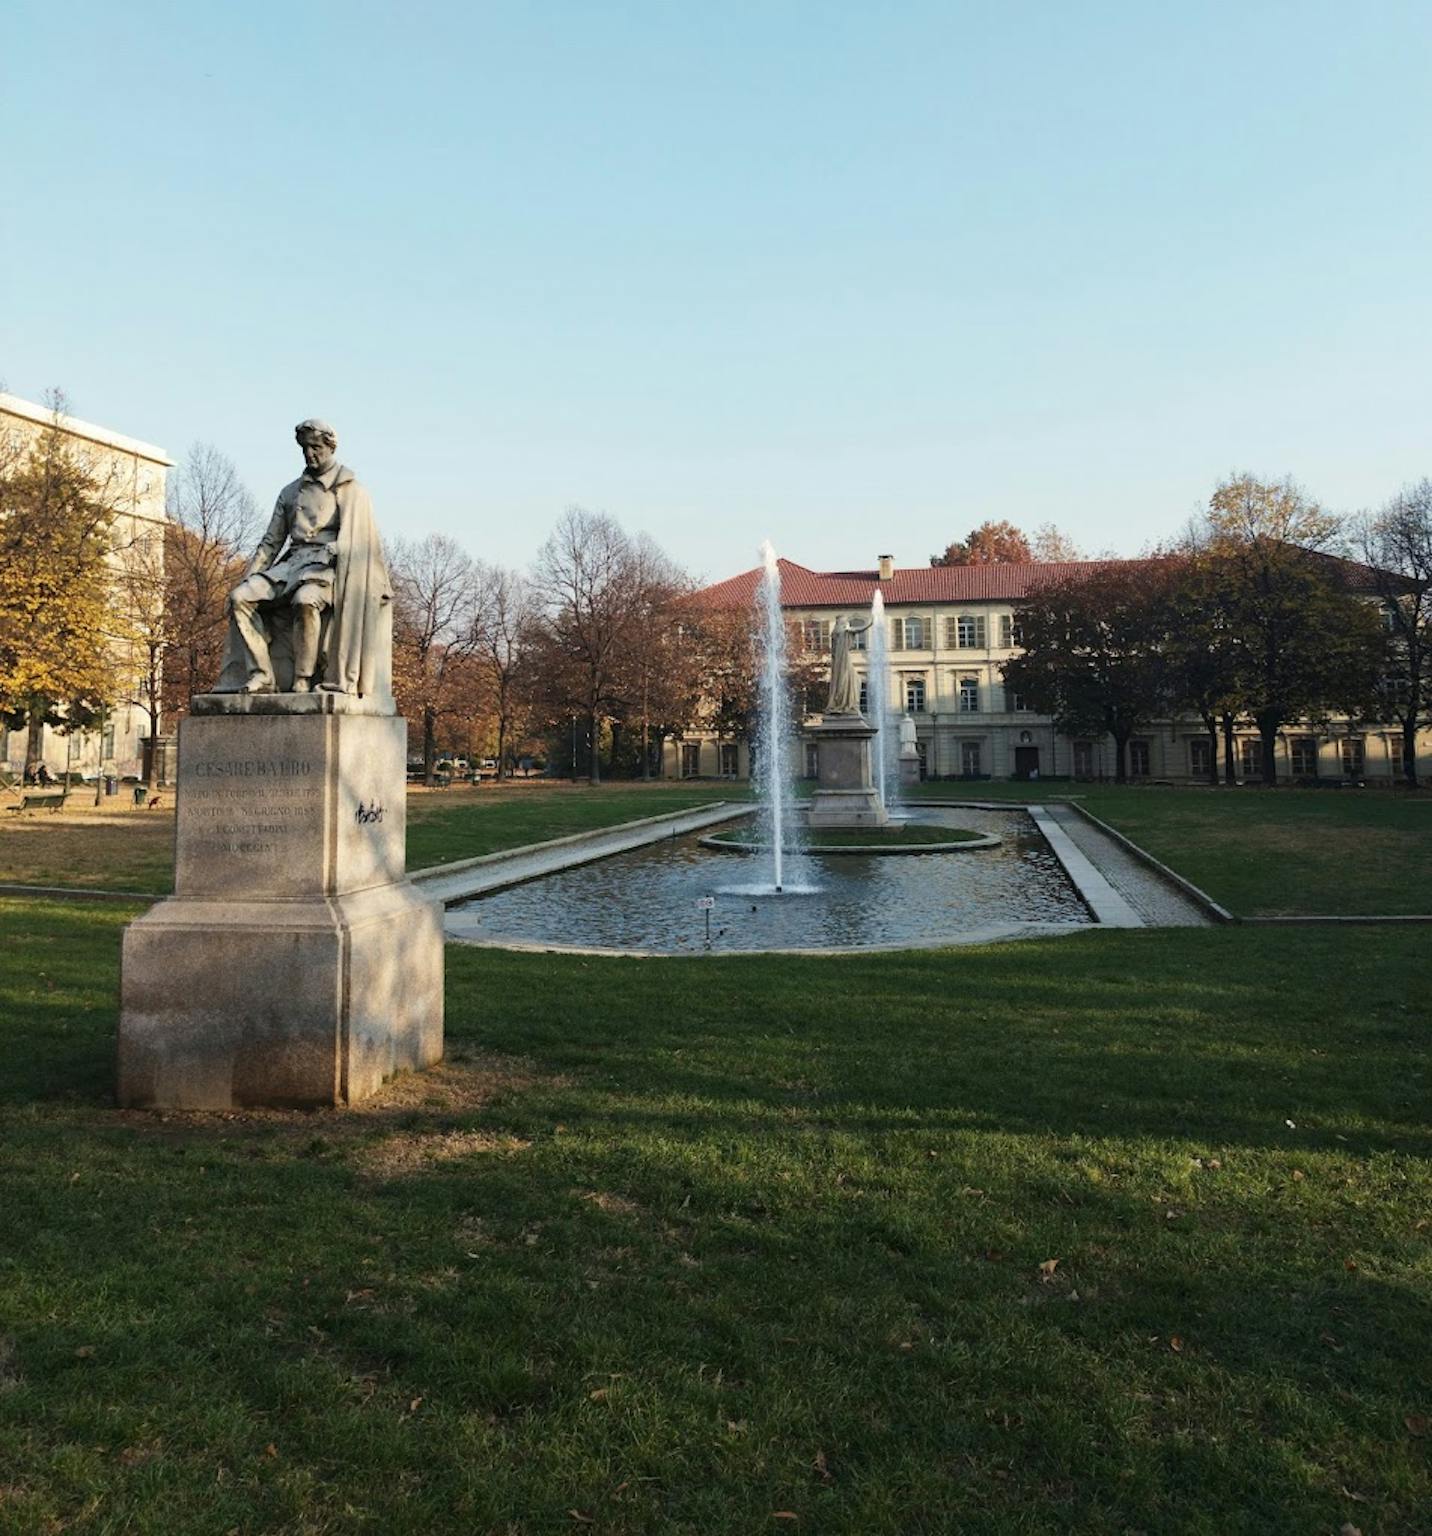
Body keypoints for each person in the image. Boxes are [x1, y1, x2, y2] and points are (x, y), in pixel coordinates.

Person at [213, 420, 392, 699]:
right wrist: (250, 575)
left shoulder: (349, 489)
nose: (310, 453)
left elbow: (362, 542)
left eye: (316, 447)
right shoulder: (290, 492)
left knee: (305, 600)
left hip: (328, 570)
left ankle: (302, 678)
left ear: (330, 447)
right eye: (305, 448)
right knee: (240, 598)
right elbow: (271, 542)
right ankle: (262, 674)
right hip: (292, 566)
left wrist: (337, 548)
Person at [824, 613, 874, 715]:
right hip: (843, 659)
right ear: (841, 623)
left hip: (839, 660)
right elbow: (857, 630)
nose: (847, 623)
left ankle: (845, 702)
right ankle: (847, 703)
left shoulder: (835, 633)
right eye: (845, 622)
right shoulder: (843, 631)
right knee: (851, 679)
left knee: (853, 679)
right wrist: (869, 624)